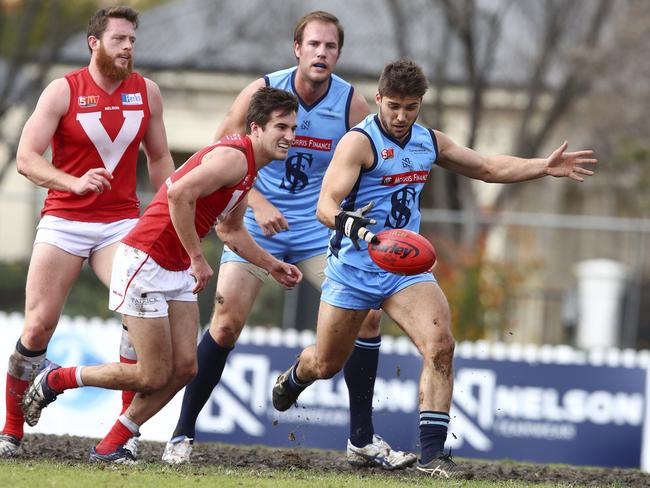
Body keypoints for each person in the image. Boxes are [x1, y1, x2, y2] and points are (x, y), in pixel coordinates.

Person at [272, 59, 597, 478]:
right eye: (394, 106)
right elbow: (325, 205)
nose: (402, 116)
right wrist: (347, 222)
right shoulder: (358, 143)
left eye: (411, 106)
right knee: (327, 364)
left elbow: (485, 167)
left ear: (421, 102)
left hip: (404, 268)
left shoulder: (429, 141)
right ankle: (297, 376)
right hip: (353, 270)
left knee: (441, 345)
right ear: (379, 99)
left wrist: (543, 167)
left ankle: (431, 456)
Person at [161, 11, 415, 469]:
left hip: (319, 232)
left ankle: (360, 440)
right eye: (314, 44)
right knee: (225, 324)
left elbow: (376, 157)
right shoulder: (262, 92)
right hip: (258, 226)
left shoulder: (351, 104)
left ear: (338, 54)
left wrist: (363, 208)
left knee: (371, 318)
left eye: (331, 47)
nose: (322, 53)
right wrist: (255, 201)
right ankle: (182, 435)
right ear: (296, 48)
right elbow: (218, 149)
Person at [20, 86, 303, 463]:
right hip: (146, 260)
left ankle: (110, 446)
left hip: (174, 267)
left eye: (293, 128)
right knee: (151, 375)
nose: (289, 136)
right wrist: (196, 258)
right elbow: (177, 195)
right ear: (256, 128)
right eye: (280, 127)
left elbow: (231, 230)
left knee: (186, 367)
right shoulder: (234, 159)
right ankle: (57, 379)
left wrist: (272, 264)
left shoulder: (250, 168)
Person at [0, 6, 175, 459]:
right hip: (64, 220)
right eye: (119, 39)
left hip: (120, 222)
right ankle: (11, 431)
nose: (128, 47)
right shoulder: (63, 91)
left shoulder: (147, 92)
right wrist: (72, 182)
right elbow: (26, 157)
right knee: (38, 326)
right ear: (94, 43)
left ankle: (122, 439)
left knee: (136, 322)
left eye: (133, 40)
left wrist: (172, 211)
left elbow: (159, 160)